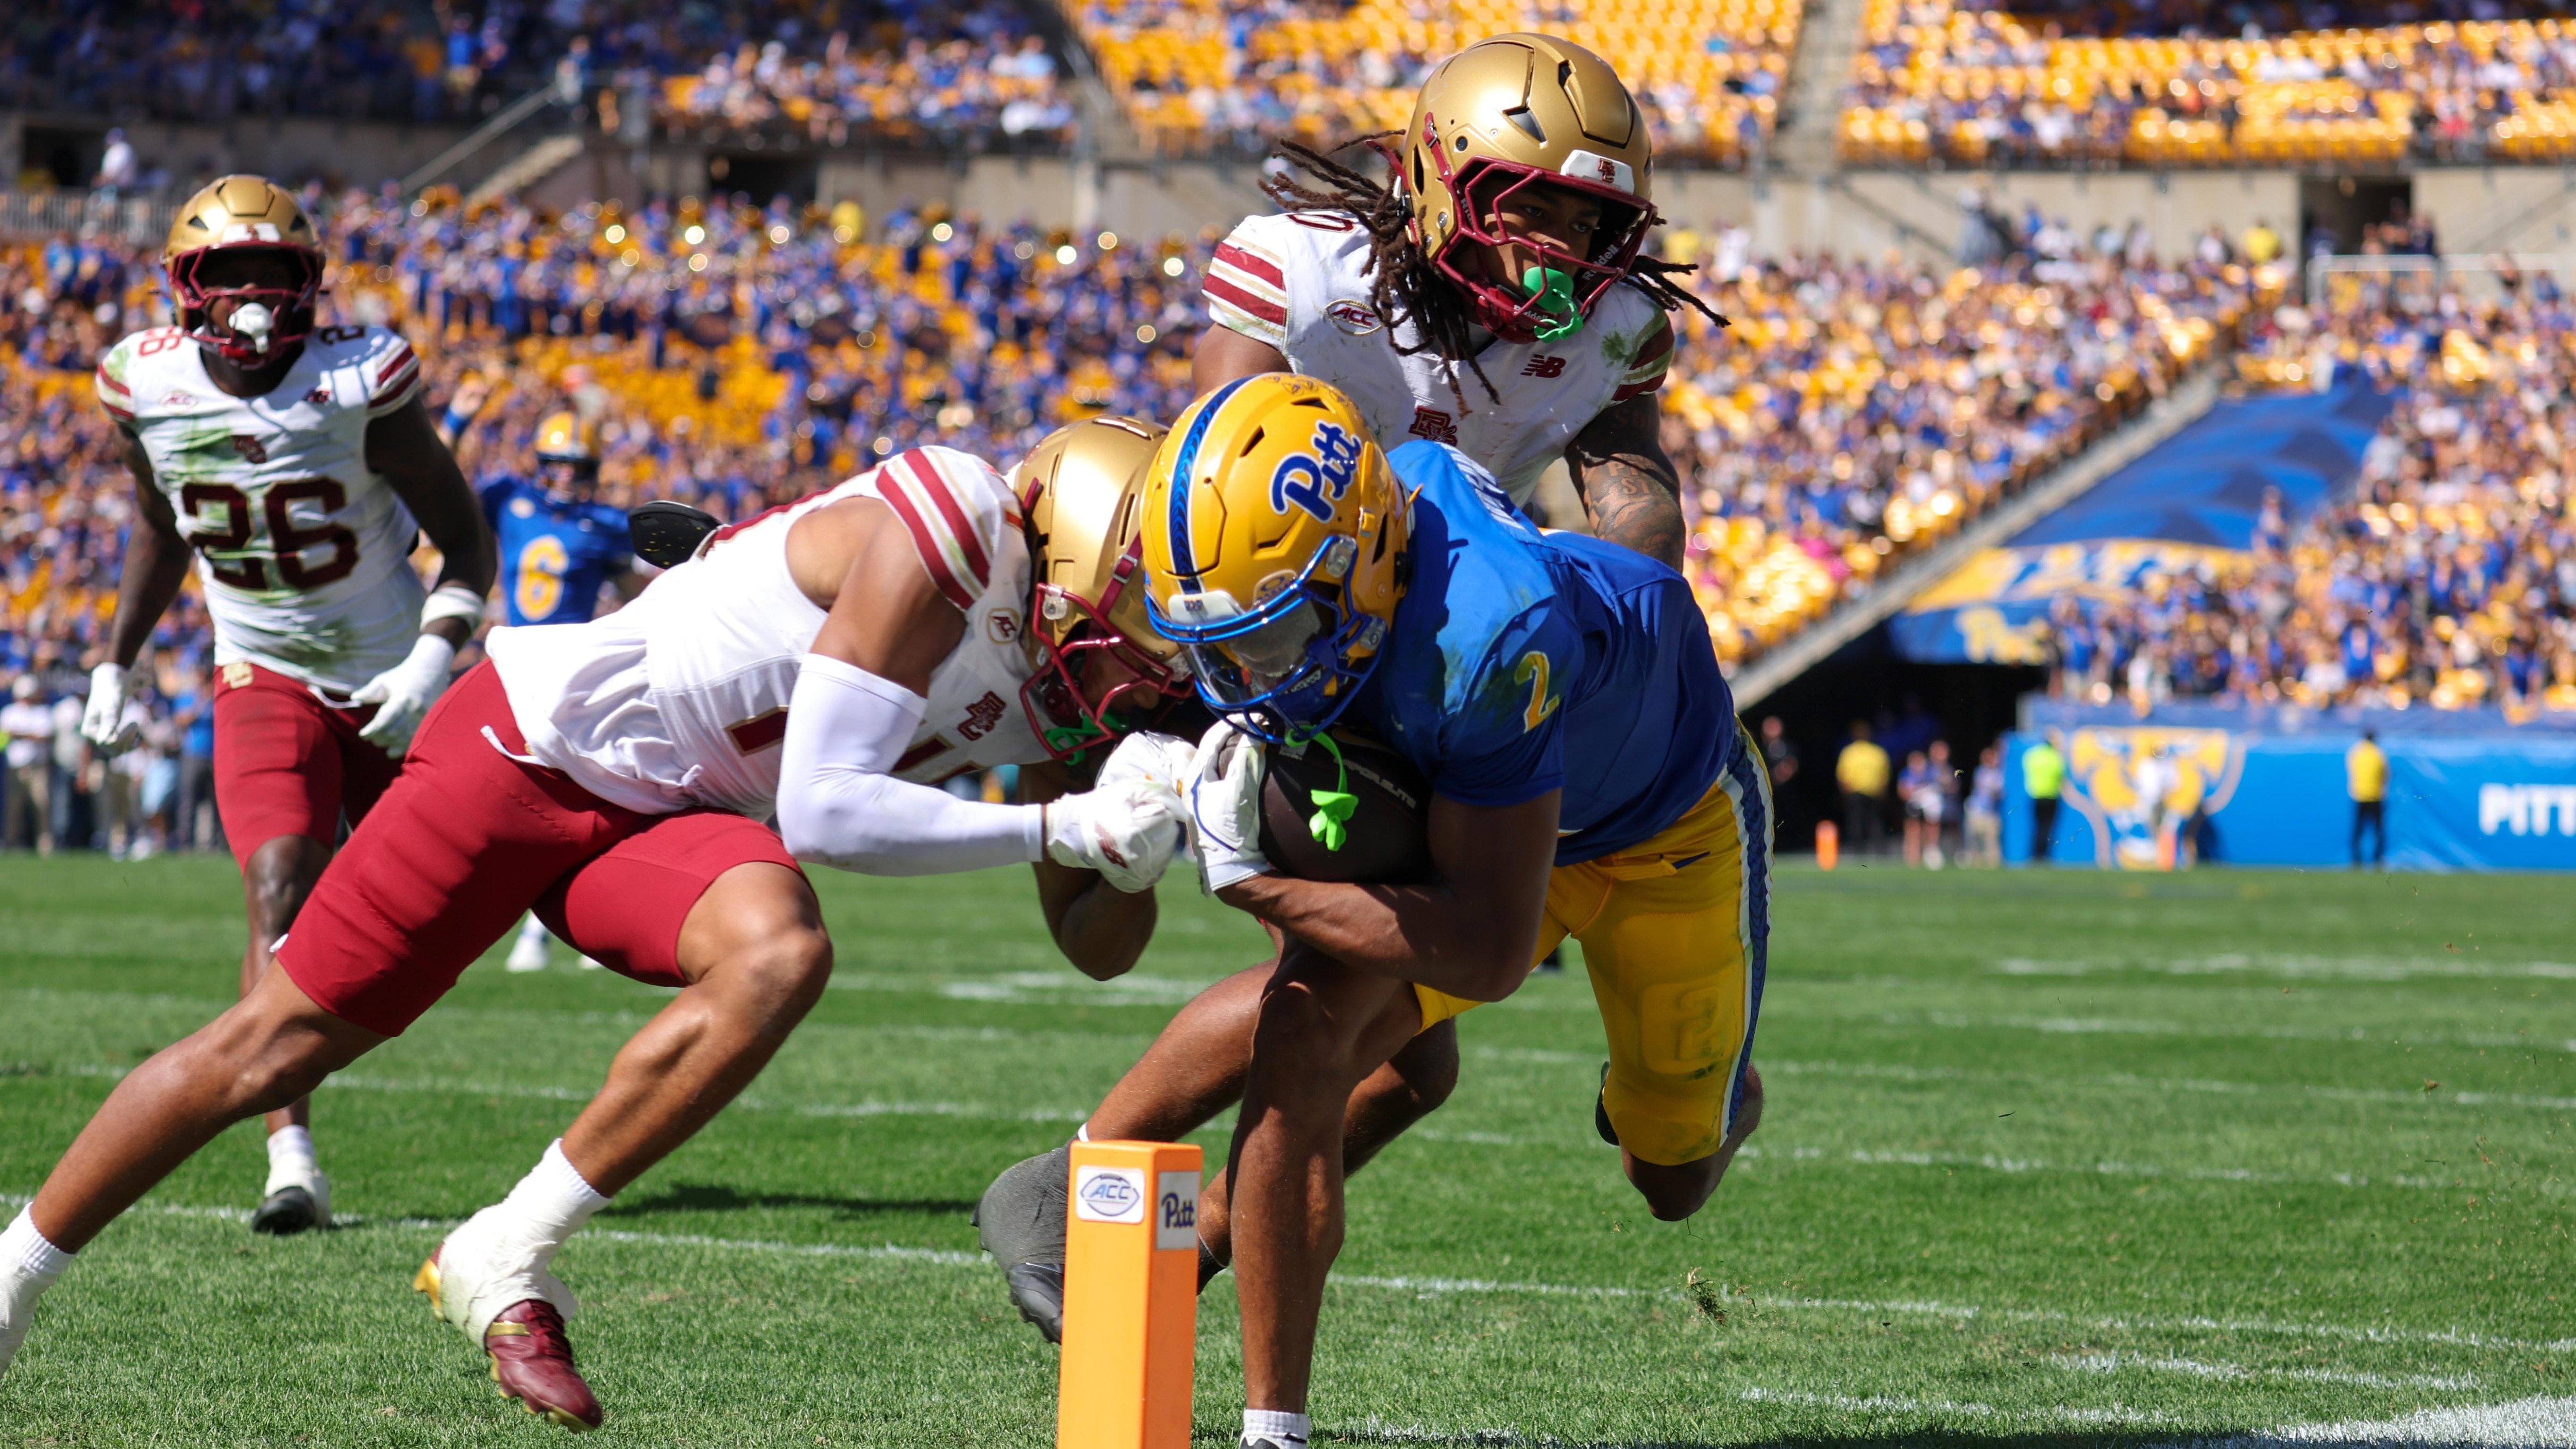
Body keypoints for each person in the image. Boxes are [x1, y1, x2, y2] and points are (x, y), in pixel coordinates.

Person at [0, 421, 1199, 1430]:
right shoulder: (953, 526)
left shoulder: (1070, 667)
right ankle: (13, 1277)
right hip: (532, 745)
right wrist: (1067, 830)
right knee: (274, 1043)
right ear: (1075, 551)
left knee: (779, 951)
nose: (1142, 658)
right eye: (1132, 612)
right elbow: (825, 807)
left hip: (665, 813)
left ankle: (505, 1248)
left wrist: (1145, 833)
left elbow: (1096, 945)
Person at [979, 376, 1767, 1449]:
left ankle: (1709, 1094)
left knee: (1668, 1175)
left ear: (1368, 559)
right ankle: (1270, 1425)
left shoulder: (1484, 629)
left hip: (1664, 819)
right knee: (1304, 1027)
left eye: (1273, 637)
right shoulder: (1298, 571)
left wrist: (1244, 869)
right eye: (1230, 647)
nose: (1251, 675)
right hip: (1470, 786)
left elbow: (1489, 952)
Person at [80, 174, 497, 1235]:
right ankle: (290, 1152)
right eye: (228, 273)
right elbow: (159, 526)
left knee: (506, 880)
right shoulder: (142, 383)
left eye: (274, 272)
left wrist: (431, 660)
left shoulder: (361, 378)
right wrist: (114, 663)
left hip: (398, 675)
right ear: (186, 286)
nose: (252, 294)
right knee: (278, 885)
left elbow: (469, 538)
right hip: (260, 666)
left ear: (310, 285)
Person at [1194, 33, 1725, 571]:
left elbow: (1641, 517)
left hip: (1460, 602)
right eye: (1534, 212)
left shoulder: (1611, 334)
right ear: (1439, 183)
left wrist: (1629, 613)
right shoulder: (1308, 274)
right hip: (1283, 575)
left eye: (1584, 224)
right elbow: (1221, 478)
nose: (1562, 249)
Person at [477, 411, 648, 974]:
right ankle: (540, 923)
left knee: (573, 796)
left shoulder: (605, 524)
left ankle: (551, 927)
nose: (568, 476)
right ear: (540, 465)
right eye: (558, 465)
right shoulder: (508, 500)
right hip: (508, 663)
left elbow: (636, 596)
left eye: (578, 466)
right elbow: (447, 499)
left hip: (569, 672)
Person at [3, 676, 54, 853]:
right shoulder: (9, 712)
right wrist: (28, 735)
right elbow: (5, 736)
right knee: (13, 808)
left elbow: (45, 736)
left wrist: (19, 734)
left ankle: (45, 843)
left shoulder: (42, 712)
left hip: (38, 767)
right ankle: (11, 842)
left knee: (42, 805)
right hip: (16, 768)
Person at [1835, 720, 1888, 854]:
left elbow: (1842, 775)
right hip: (1873, 792)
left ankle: (1857, 850)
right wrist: (1882, 790)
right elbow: (1884, 776)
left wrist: (1845, 792)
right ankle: (1879, 850)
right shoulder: (1878, 752)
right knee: (1874, 822)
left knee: (1856, 822)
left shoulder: (1849, 752)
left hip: (1855, 792)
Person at [2023, 732, 2064, 865]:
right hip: (2051, 796)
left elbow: (2027, 769)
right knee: (2048, 828)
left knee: (2037, 827)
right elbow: (2061, 775)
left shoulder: (2033, 755)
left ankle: (2035, 855)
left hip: (2036, 795)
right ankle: (2045, 856)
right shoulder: (2055, 757)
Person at [2348, 728, 2387, 868]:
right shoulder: (2378, 754)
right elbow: (2385, 774)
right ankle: (2378, 859)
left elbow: (2352, 769)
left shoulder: (2356, 753)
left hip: (2359, 796)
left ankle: (2356, 859)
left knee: (2358, 830)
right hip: (2376, 796)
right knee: (2378, 831)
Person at [1964, 743, 2003, 867]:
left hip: (1991, 811)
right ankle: (1976, 861)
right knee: (1974, 838)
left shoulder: (1998, 774)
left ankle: (1993, 862)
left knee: (1991, 839)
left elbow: (1999, 792)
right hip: (1977, 810)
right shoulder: (1980, 771)